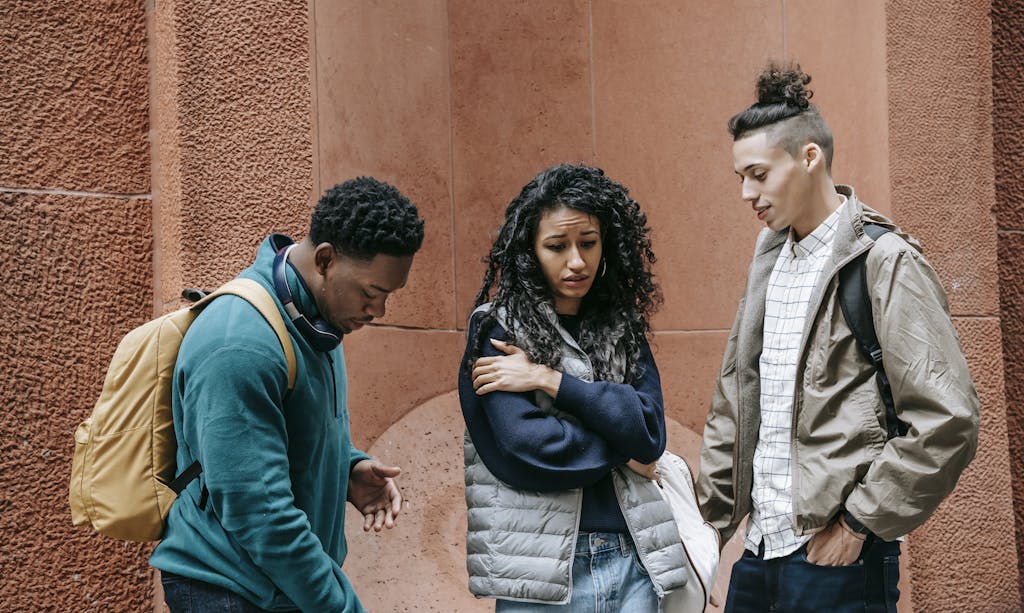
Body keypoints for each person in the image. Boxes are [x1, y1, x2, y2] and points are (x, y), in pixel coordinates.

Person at [695, 64, 980, 612]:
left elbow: (948, 417)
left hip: (836, 555)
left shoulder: (884, 260)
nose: (747, 193)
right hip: (759, 551)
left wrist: (859, 524)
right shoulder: (770, 261)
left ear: (809, 157)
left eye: (758, 174)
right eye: (741, 179)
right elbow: (736, 401)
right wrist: (712, 532)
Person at [150, 177, 425, 612]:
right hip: (230, 592)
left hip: (278, 588)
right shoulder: (240, 344)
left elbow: (283, 432)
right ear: (326, 259)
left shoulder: (315, 317)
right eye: (372, 293)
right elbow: (260, 514)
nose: (379, 311)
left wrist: (345, 466)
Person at [458, 163, 691, 611]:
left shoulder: (622, 329)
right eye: (556, 246)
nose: (577, 261)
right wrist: (625, 453)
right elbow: (529, 449)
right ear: (530, 250)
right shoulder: (497, 328)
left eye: (588, 243)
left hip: (635, 559)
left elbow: (649, 432)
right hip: (540, 574)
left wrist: (551, 381)